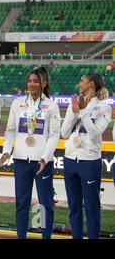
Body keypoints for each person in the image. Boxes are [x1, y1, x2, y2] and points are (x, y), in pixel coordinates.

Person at [0, 67, 61, 239]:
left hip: (43, 163)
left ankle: (46, 236)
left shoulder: (51, 106)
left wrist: (45, 157)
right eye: (29, 81)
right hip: (20, 161)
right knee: (21, 203)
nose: (32, 84)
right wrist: (6, 151)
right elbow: (10, 130)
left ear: (44, 83)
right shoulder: (17, 104)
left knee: (45, 204)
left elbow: (54, 135)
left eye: (36, 81)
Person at [61, 74, 111, 239]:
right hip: (69, 159)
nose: (79, 83)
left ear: (91, 84)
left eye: (81, 80)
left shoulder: (104, 108)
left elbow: (95, 134)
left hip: (89, 161)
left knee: (91, 207)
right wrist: (74, 112)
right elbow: (64, 133)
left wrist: (82, 112)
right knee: (73, 207)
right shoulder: (73, 104)